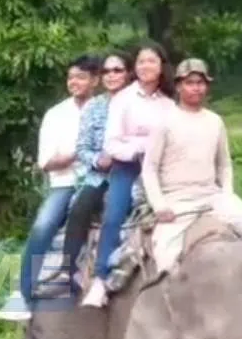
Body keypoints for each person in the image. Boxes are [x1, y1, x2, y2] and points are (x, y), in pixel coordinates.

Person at [142, 59, 242, 271]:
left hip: (212, 197)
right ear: (179, 86)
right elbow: (149, 168)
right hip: (177, 201)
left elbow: (224, 164)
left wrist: (227, 193)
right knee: (165, 258)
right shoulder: (164, 121)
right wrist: (159, 205)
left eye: (200, 83)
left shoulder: (215, 121)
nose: (196, 88)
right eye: (190, 83)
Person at [31, 50, 134, 301]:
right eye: (107, 71)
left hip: (134, 172)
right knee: (79, 208)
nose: (111, 75)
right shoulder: (95, 107)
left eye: (117, 70)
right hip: (100, 175)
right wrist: (98, 160)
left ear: (128, 74)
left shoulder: (140, 103)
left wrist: (127, 155)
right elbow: (83, 147)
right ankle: (66, 273)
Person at [83, 43, 176, 309]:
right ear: (136, 68)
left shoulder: (169, 104)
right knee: (114, 216)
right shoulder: (123, 99)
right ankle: (101, 279)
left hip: (159, 168)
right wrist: (140, 147)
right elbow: (112, 144)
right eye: (141, 61)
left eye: (152, 61)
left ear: (161, 67)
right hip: (128, 166)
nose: (146, 66)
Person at [16, 54, 101, 307]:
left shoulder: (106, 109)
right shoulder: (56, 114)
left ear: (95, 80)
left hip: (98, 180)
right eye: (71, 77)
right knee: (43, 226)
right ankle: (24, 291)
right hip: (64, 183)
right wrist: (80, 153)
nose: (74, 82)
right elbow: (46, 161)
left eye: (81, 77)